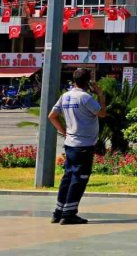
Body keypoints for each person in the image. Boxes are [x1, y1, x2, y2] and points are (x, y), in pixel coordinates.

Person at [47, 68, 106, 224]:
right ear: (88, 82)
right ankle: (69, 214)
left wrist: (64, 132)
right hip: (84, 145)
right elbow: (102, 113)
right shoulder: (86, 98)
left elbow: (52, 116)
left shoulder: (65, 96)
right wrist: (100, 94)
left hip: (70, 144)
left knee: (67, 177)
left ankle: (58, 212)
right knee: (79, 179)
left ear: (74, 80)